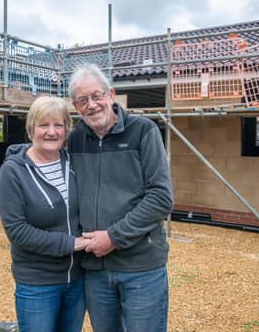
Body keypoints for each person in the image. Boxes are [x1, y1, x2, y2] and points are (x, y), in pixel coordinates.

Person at [67, 64, 174, 332]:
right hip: (95, 269)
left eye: (96, 95)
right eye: (83, 100)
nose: (91, 105)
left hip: (141, 267)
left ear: (111, 94)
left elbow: (161, 197)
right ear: (75, 106)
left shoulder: (143, 132)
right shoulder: (74, 140)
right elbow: (41, 144)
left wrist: (114, 237)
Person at [0, 96, 89, 332]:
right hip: (38, 284)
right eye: (43, 125)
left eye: (58, 125)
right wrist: (74, 244)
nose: (51, 132)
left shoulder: (73, 163)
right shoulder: (13, 171)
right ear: (31, 129)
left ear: (66, 130)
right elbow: (18, 231)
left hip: (77, 280)